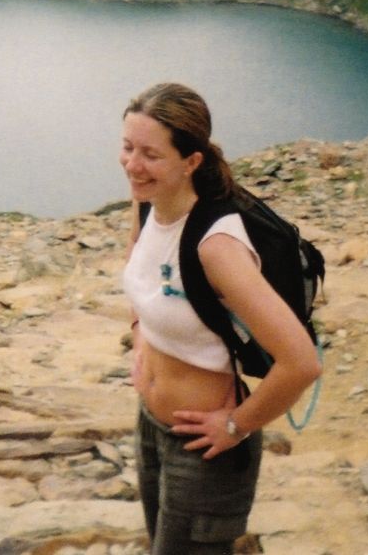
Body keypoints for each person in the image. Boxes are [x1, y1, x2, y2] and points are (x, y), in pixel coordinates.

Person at [120, 82, 321, 552]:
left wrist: (236, 425)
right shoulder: (148, 201)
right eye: (128, 147)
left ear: (191, 161)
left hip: (206, 447)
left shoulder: (218, 246)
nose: (132, 165)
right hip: (151, 424)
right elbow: (139, 270)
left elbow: (302, 362)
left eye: (150, 154)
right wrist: (140, 338)